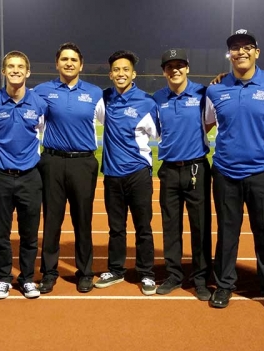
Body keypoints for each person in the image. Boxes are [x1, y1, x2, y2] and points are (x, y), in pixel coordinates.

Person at [204, 29, 264, 311]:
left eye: (247, 47)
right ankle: (225, 285)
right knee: (227, 233)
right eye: (235, 48)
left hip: (263, 171)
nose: (241, 52)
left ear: (257, 52)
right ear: (230, 54)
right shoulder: (215, 89)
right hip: (226, 171)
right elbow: (205, 125)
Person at [33, 43, 104, 294]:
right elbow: (26, 118)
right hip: (52, 161)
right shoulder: (42, 91)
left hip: (83, 163)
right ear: (57, 63)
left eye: (74, 59)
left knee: (82, 220)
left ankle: (85, 272)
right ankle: (49, 272)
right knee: (52, 220)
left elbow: (113, 124)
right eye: (64, 59)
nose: (69, 63)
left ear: (81, 64)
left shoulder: (96, 93)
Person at [0, 51, 47, 299]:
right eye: (10, 66)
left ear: (28, 72)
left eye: (20, 66)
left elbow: (42, 133)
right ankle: (4, 278)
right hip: (0, 176)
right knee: (1, 231)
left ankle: (27, 277)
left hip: (30, 175)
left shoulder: (39, 103)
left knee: (29, 232)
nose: (15, 70)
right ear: (4, 71)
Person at [93, 50, 159, 295]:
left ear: (134, 74)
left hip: (138, 173)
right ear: (110, 74)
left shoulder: (146, 101)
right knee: (116, 227)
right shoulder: (104, 98)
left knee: (143, 227)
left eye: (125, 70)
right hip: (111, 174)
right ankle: (116, 270)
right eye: (116, 70)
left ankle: (146, 273)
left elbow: (160, 134)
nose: (121, 74)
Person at [151, 48, 212, 300]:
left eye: (179, 65)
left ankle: (201, 277)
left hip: (197, 167)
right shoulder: (157, 98)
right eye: (169, 66)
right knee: (170, 226)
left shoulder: (202, 92)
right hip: (169, 169)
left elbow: (212, 120)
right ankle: (174, 274)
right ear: (164, 71)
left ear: (187, 68)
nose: (174, 70)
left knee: (200, 226)